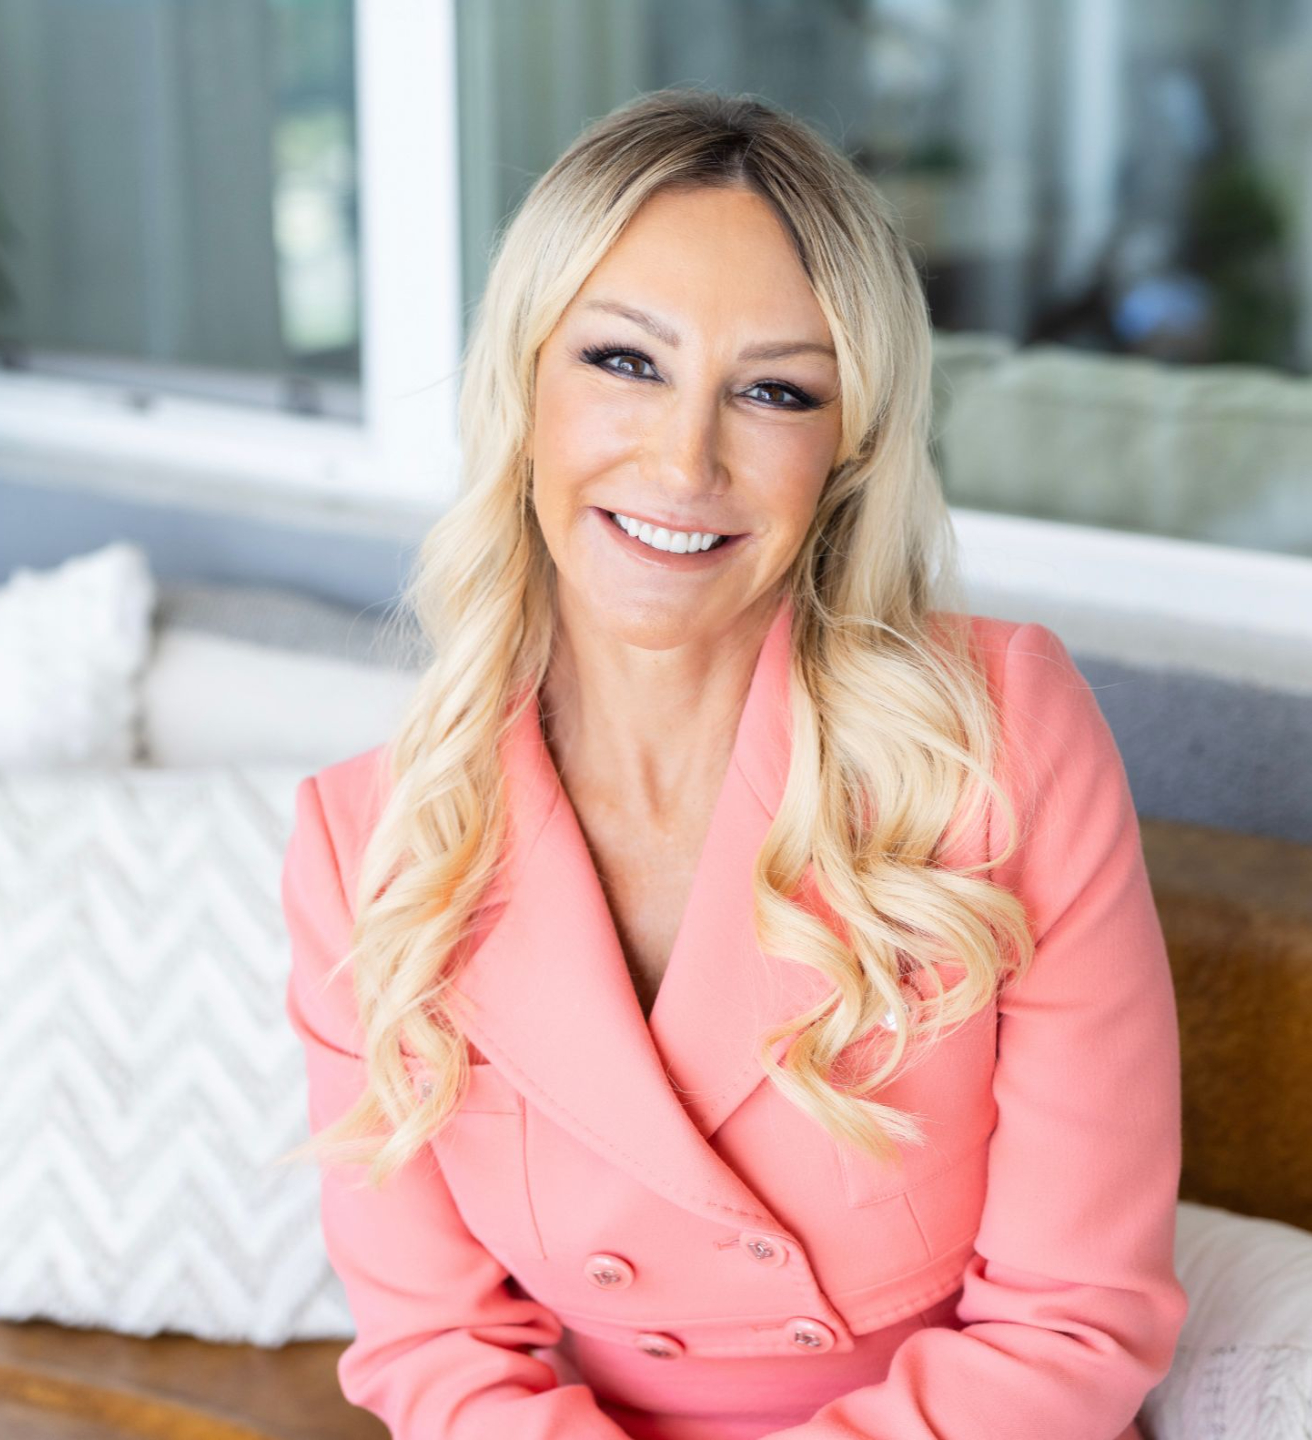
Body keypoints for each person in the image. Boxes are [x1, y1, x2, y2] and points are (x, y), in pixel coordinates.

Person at [278, 86, 1186, 1440]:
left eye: (773, 391)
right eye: (624, 362)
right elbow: (437, 1351)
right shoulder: (369, 841)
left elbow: (1073, 1323)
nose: (684, 459)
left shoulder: (998, 742)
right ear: (523, 389)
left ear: (848, 453)